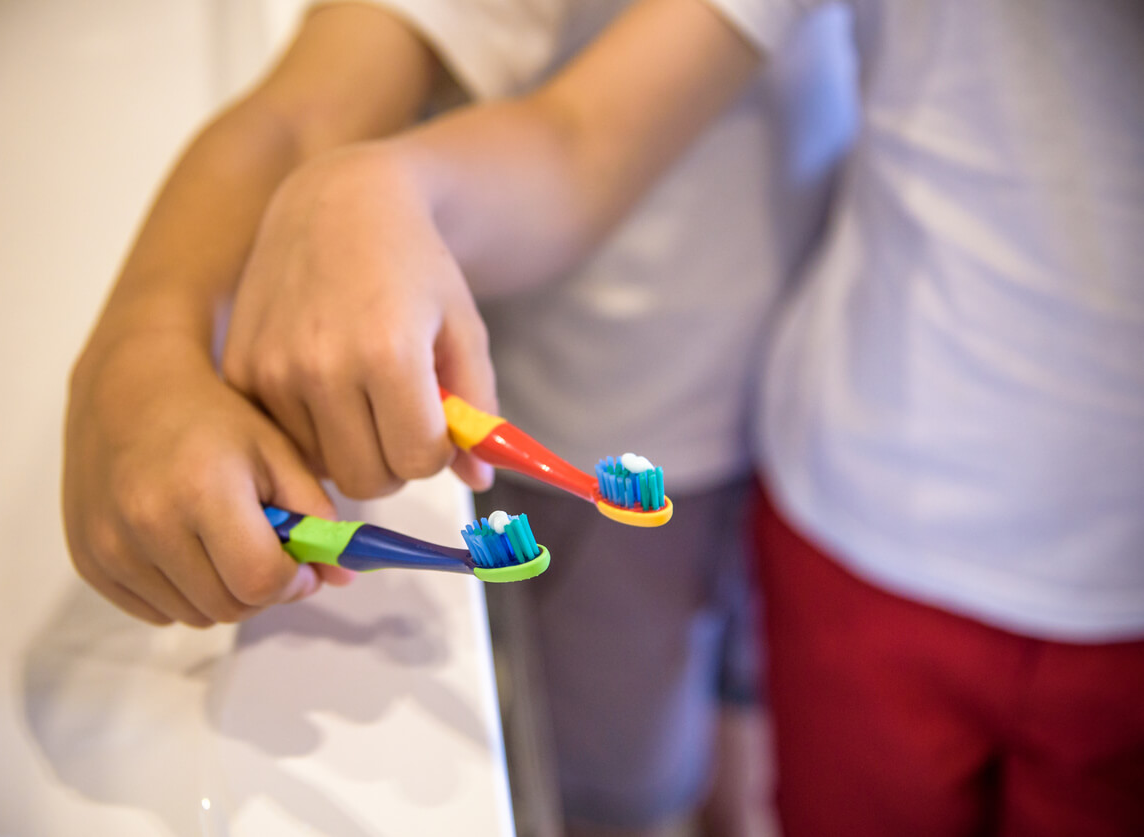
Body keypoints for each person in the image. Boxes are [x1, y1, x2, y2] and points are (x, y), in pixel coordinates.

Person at [215, 0, 1144, 835]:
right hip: (772, 489)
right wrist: (375, 193)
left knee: (712, 721)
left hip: (780, 425)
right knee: (638, 758)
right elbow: (569, 139)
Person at [63, 2, 853, 835]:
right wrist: (141, 347)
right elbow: (312, 113)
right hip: (609, 423)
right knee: (628, 771)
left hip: (815, 421)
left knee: (746, 705)